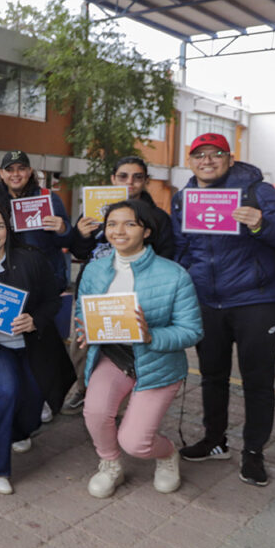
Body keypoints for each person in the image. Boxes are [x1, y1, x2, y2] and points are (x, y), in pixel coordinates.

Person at [172, 133, 275, 486]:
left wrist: (260, 223)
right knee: (212, 376)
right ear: (191, 161)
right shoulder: (184, 198)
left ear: (229, 159)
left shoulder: (258, 191)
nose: (207, 161)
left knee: (257, 381)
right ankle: (215, 440)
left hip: (256, 302)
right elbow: (181, 248)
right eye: (199, 155)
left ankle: (253, 452)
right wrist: (184, 280)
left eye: (215, 154)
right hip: (207, 303)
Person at [76, 200, 203, 498]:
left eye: (129, 224)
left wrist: (151, 336)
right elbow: (83, 312)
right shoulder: (94, 271)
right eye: (112, 224)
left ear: (146, 231)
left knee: (135, 442)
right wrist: (86, 329)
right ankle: (110, 464)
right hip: (114, 358)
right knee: (94, 413)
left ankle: (167, 454)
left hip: (158, 363)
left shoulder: (174, 275)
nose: (118, 231)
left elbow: (192, 331)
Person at [0, 202, 72, 494]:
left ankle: (19, 430)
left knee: (34, 395)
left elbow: (52, 300)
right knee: (7, 390)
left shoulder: (30, 259)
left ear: (8, 230)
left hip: (31, 342)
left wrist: (35, 320)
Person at [62, 156, 174, 414]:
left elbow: (166, 256)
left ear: (146, 180)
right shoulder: (94, 209)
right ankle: (84, 389)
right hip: (93, 291)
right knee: (83, 345)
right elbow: (80, 251)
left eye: (137, 176)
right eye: (123, 176)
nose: (130, 182)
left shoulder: (157, 217)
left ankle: (123, 403)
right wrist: (81, 234)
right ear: (113, 179)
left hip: (132, 292)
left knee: (128, 347)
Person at [0, 150, 72, 292]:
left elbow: (68, 242)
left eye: (21, 169)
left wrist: (63, 229)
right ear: (1, 173)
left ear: (30, 171)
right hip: (6, 282)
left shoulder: (48, 198)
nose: (15, 174)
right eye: (9, 170)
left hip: (43, 281)